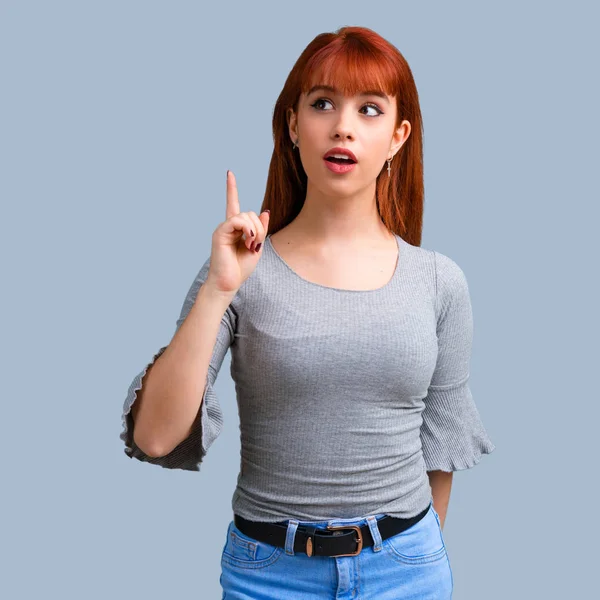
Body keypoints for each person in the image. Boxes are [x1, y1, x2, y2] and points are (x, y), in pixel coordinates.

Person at [120, 25, 495, 599]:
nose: (343, 125)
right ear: (294, 125)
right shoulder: (240, 269)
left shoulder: (440, 281)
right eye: (323, 103)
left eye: (369, 109)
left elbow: (439, 444)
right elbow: (155, 437)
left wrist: (417, 561)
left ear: (397, 137)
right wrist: (220, 289)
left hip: (406, 570)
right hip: (269, 575)